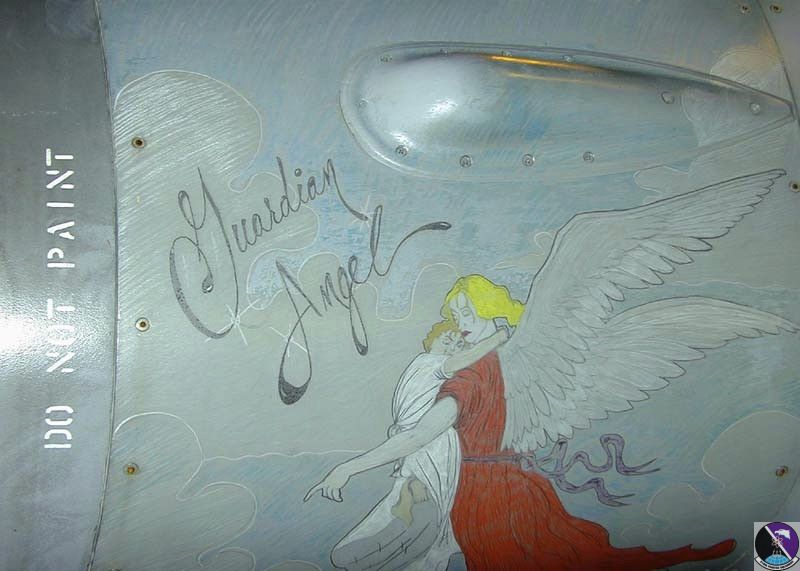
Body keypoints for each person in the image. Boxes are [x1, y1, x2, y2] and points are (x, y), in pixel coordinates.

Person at [307, 276, 736, 570]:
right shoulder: (504, 366)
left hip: (482, 496)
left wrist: (348, 467)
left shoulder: (472, 375)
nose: (460, 326)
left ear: (490, 312)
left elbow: (421, 434)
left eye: (466, 315)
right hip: (518, 486)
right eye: (456, 318)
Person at [322, 319, 509, 571]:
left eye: (457, 344)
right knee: (424, 500)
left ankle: (409, 530)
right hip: (424, 444)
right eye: (448, 339)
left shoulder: (427, 368)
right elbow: (461, 361)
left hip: (427, 445)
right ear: (431, 340)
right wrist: (498, 338)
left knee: (422, 501)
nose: (452, 345)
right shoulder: (428, 363)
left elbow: (414, 428)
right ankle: (410, 529)